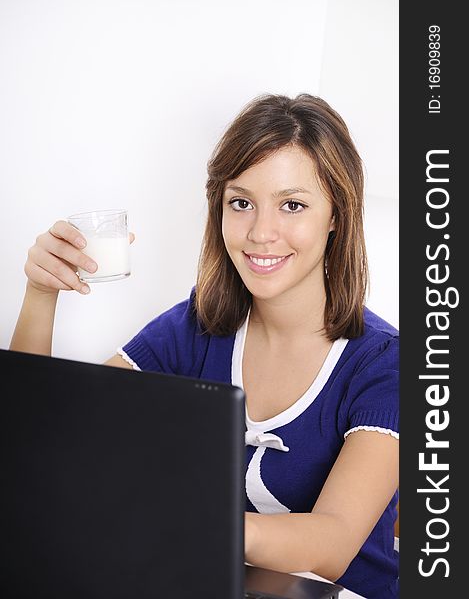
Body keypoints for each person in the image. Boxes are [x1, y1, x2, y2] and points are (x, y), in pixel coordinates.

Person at [10, 94, 399, 598]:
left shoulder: (385, 364)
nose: (261, 232)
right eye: (241, 203)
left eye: (293, 205)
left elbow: (332, 542)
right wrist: (41, 295)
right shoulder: (198, 327)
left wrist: (185, 522)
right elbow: (41, 434)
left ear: (336, 217)